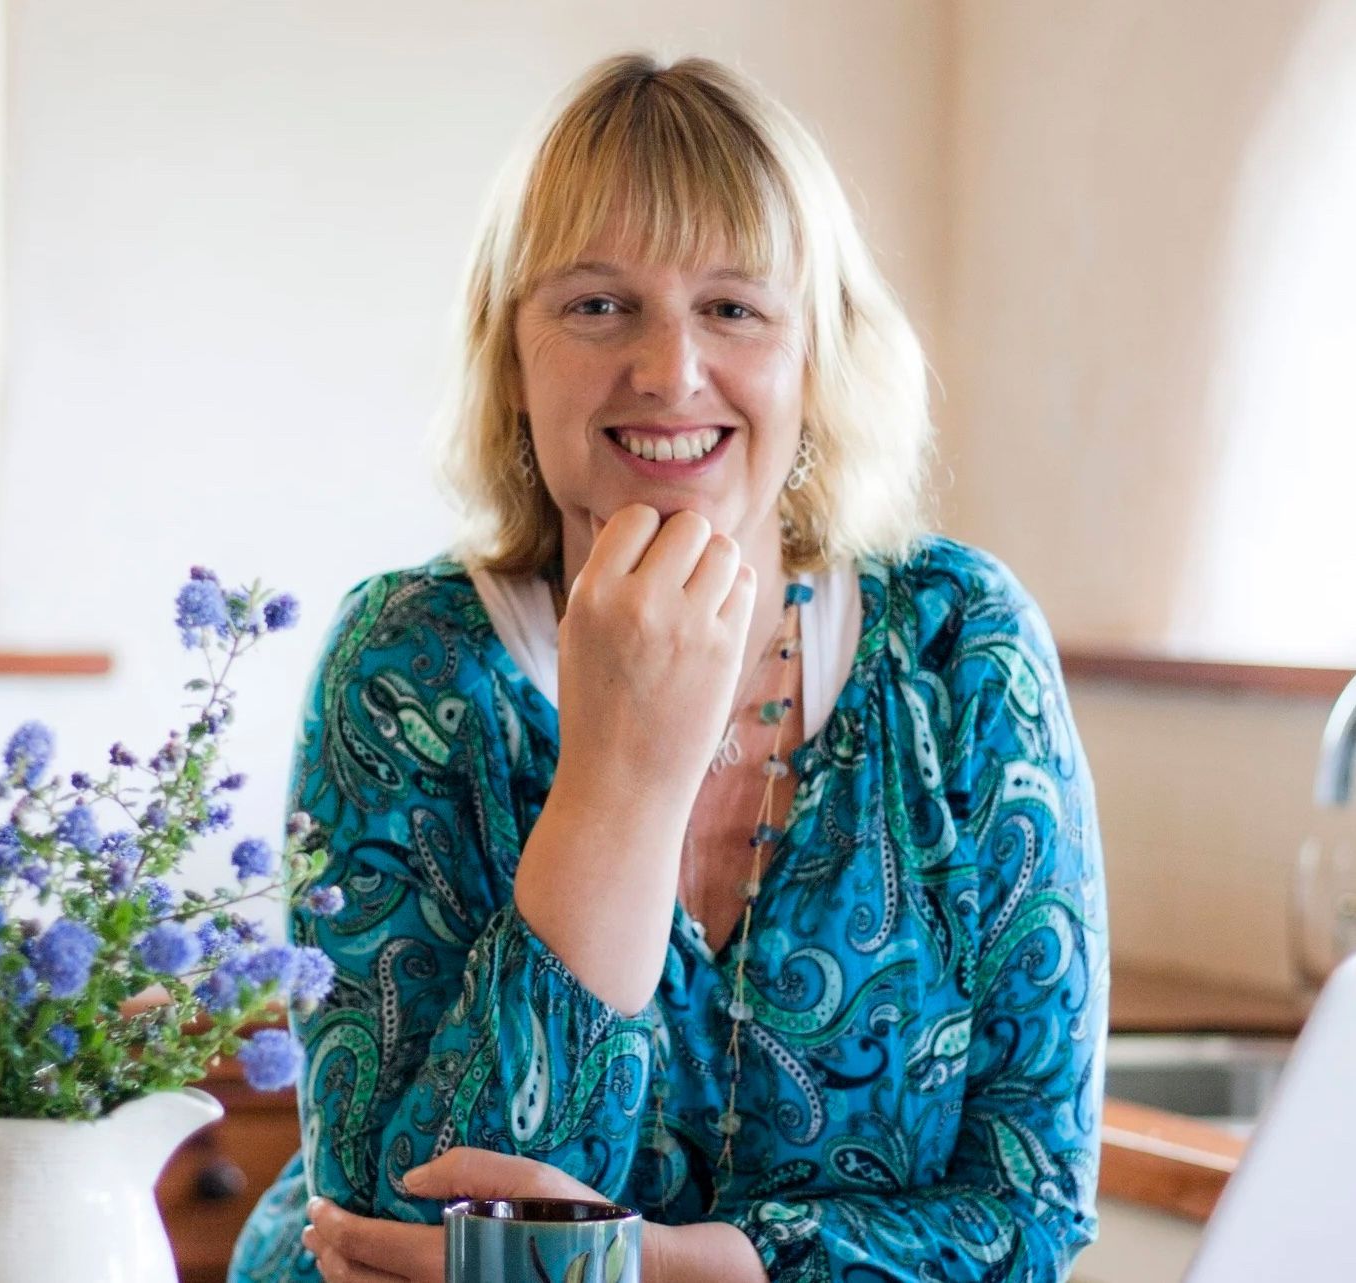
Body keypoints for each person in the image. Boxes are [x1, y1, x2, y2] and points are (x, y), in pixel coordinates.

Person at [229, 51, 1108, 1283]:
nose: (669, 371)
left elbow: (1033, 1205)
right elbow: (399, 1233)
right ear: (512, 356)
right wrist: (618, 784)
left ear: (817, 354)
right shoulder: (407, 664)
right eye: (598, 305)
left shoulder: (959, 645)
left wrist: (677, 1263)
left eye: (734, 308)